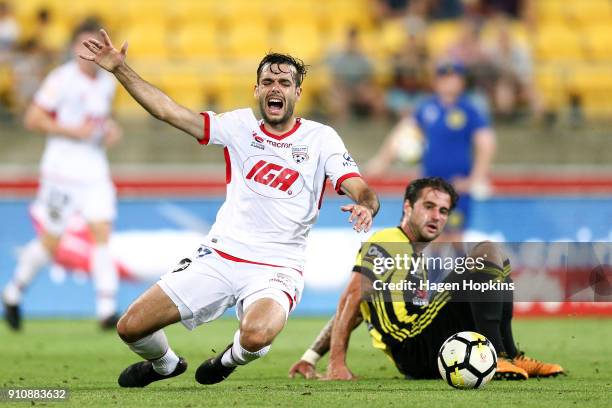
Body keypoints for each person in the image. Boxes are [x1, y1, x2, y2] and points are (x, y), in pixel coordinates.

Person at [79, 30, 380, 387]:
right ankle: (165, 364)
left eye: (285, 82)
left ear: (297, 93)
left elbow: (359, 187)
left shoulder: (320, 138)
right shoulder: (238, 127)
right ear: (257, 90)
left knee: (257, 335)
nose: (275, 88)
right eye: (267, 81)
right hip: (221, 254)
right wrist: (119, 69)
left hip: (278, 264)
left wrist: (364, 206)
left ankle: (227, 359)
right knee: (130, 327)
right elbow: (168, 111)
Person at [288, 177, 564, 381]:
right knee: (486, 254)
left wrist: (310, 356)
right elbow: (352, 296)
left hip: (422, 348)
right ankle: (501, 357)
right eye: (429, 206)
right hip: (413, 343)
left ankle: (509, 355)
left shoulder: (413, 254)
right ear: (408, 207)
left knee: (494, 263)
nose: (436, 216)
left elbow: (358, 312)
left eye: (443, 211)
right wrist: (337, 363)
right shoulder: (388, 241)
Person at [2, 19, 122, 331]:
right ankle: (14, 291)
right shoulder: (61, 79)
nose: (90, 51)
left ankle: (106, 309)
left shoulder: (107, 81)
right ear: (73, 48)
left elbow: (100, 119)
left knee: (102, 234)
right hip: (62, 173)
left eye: (95, 45)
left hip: (95, 169)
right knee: (51, 242)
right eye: (84, 44)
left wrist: (108, 129)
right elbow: (33, 118)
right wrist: (71, 131)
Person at [366, 61, 496, 241]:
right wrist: (382, 160)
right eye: (444, 78)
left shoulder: (469, 110)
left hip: (457, 187)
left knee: (454, 238)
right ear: (437, 82)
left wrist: (475, 178)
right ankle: (431, 270)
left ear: (462, 82)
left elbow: (486, 143)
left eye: (454, 78)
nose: (449, 83)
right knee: (427, 236)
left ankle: (452, 269)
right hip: (429, 186)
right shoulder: (427, 108)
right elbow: (403, 132)